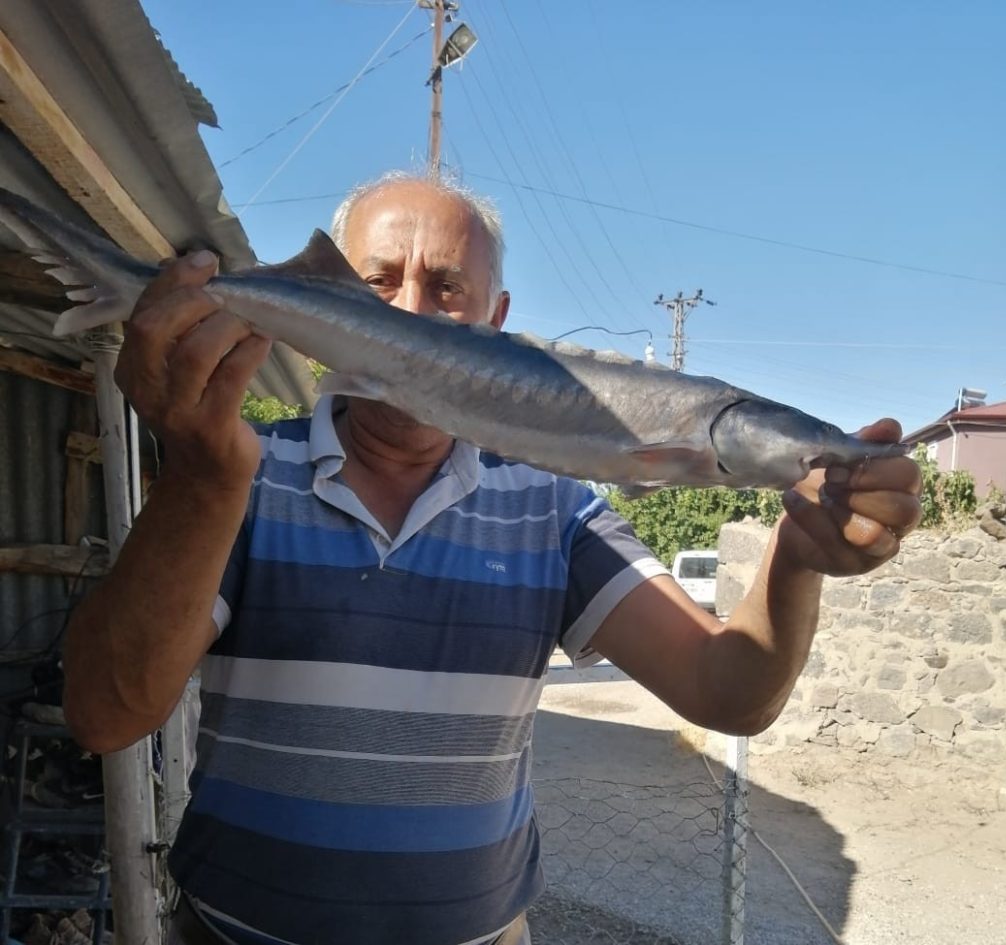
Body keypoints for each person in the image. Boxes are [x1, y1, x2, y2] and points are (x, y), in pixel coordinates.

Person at [62, 171, 922, 945]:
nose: (409, 312)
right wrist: (203, 480)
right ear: (318, 305)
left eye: (446, 288)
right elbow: (105, 715)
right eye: (376, 284)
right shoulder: (239, 471)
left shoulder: (554, 503)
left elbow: (726, 691)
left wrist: (795, 558)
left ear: (495, 319)